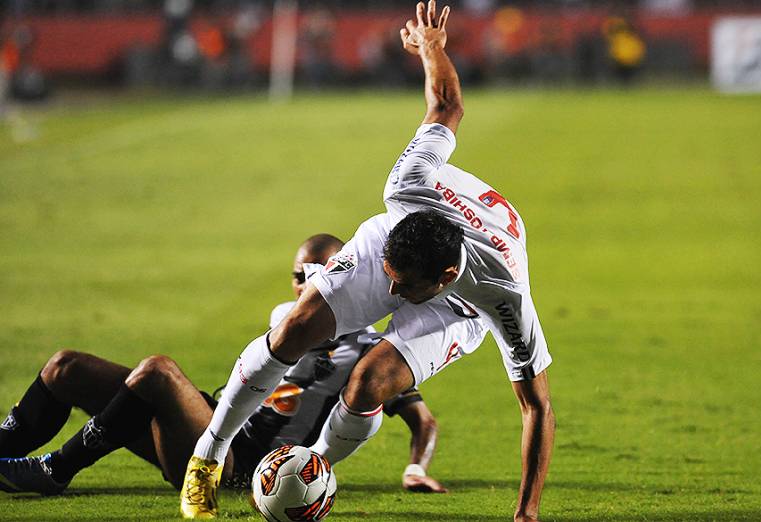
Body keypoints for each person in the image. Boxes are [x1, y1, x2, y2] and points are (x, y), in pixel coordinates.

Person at [182, 3, 555, 521]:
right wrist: (432, 48)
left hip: (459, 310)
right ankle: (207, 460)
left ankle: (312, 470)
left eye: (402, 290)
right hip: (400, 239)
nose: (391, 297)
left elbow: (536, 406)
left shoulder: (502, 292)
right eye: (390, 282)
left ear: (445, 277)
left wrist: (526, 514)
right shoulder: (405, 186)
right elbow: (446, 105)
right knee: (294, 330)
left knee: (369, 382)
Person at [0, 234, 469, 496]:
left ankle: (55, 470)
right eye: (298, 273)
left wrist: (414, 469)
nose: (306, 282)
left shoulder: (371, 352)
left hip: (240, 466)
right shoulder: (283, 323)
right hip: (203, 425)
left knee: (158, 372)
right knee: (66, 367)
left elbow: (422, 421)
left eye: (319, 271)